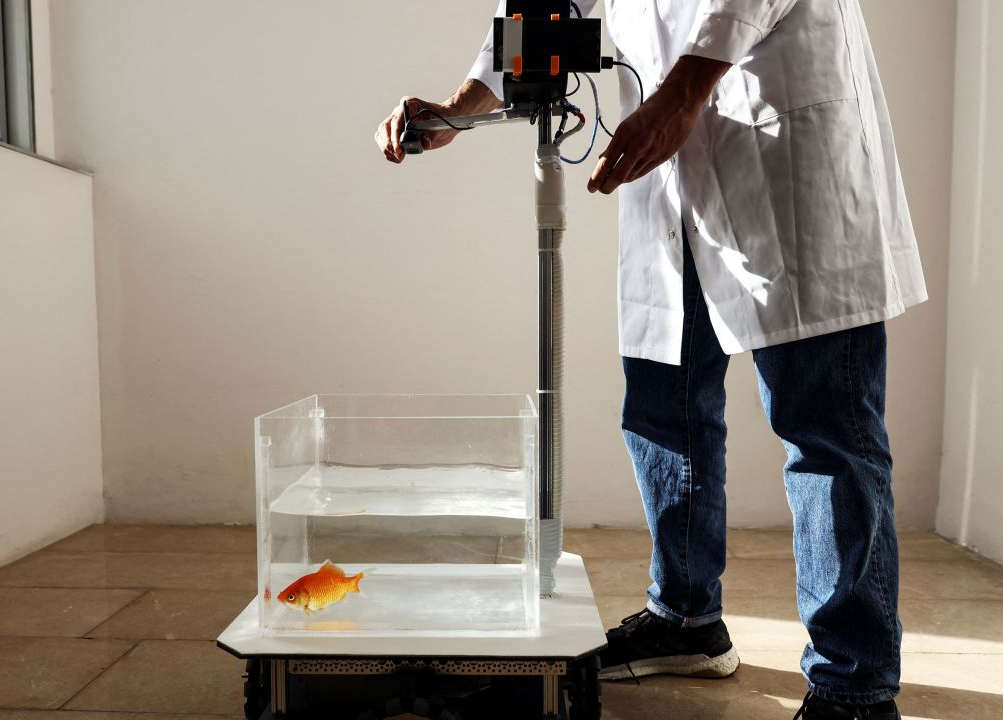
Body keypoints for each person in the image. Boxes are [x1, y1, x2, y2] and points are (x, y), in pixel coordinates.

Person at [376, 1, 924, 718]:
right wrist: (462, 107)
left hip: (781, 139)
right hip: (672, 163)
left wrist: (682, 94)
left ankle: (855, 685)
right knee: (665, 411)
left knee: (824, 430)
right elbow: (554, 4)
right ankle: (686, 620)